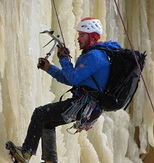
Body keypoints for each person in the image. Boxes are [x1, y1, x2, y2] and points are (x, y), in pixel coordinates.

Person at [8, 17, 121, 163]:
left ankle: (26, 153)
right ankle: (50, 160)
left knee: (40, 113)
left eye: (82, 35)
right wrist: (49, 68)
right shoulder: (93, 54)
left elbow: (73, 78)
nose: (78, 38)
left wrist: (64, 59)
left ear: (92, 36)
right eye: (79, 34)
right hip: (87, 106)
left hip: (84, 105)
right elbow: (70, 79)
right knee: (48, 122)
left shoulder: (95, 56)